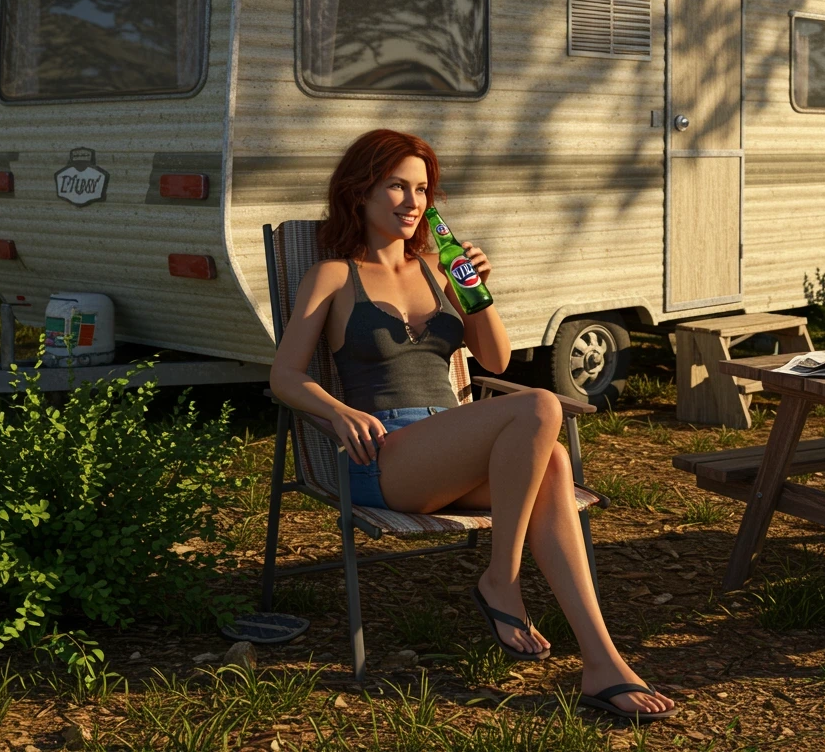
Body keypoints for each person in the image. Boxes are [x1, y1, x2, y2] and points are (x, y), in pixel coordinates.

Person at [269, 128, 676, 723]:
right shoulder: (333, 276)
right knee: (541, 405)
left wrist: (476, 294)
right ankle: (501, 580)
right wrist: (338, 410)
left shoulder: (439, 270)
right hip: (383, 456)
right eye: (397, 186)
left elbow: (496, 360)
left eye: (423, 190)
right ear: (359, 192)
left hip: (450, 448)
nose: (414, 202)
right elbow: (285, 375)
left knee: (555, 461)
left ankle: (601, 662)